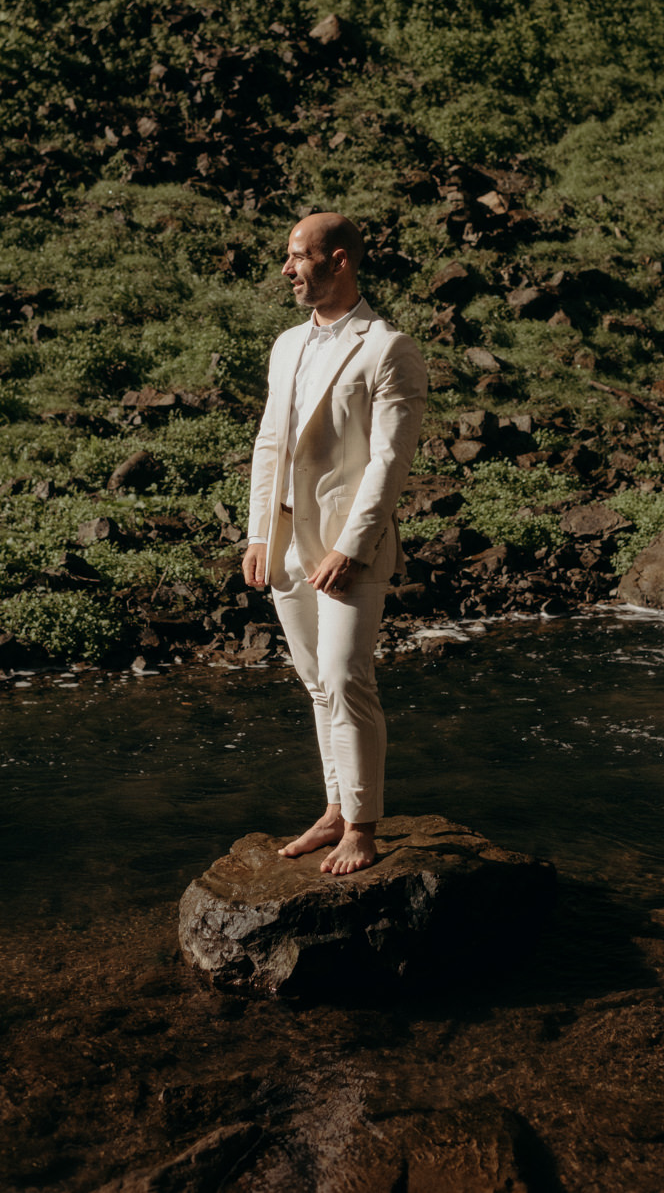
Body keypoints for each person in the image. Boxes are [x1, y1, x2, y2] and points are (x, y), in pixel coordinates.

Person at [242, 212, 428, 875]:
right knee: (318, 685)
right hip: (288, 542)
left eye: (298, 257)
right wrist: (258, 534)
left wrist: (351, 545)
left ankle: (363, 829)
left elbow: (388, 462)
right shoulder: (287, 345)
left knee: (350, 681)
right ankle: (334, 808)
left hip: (350, 549)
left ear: (340, 260)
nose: (287, 270)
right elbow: (271, 442)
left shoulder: (388, 348)